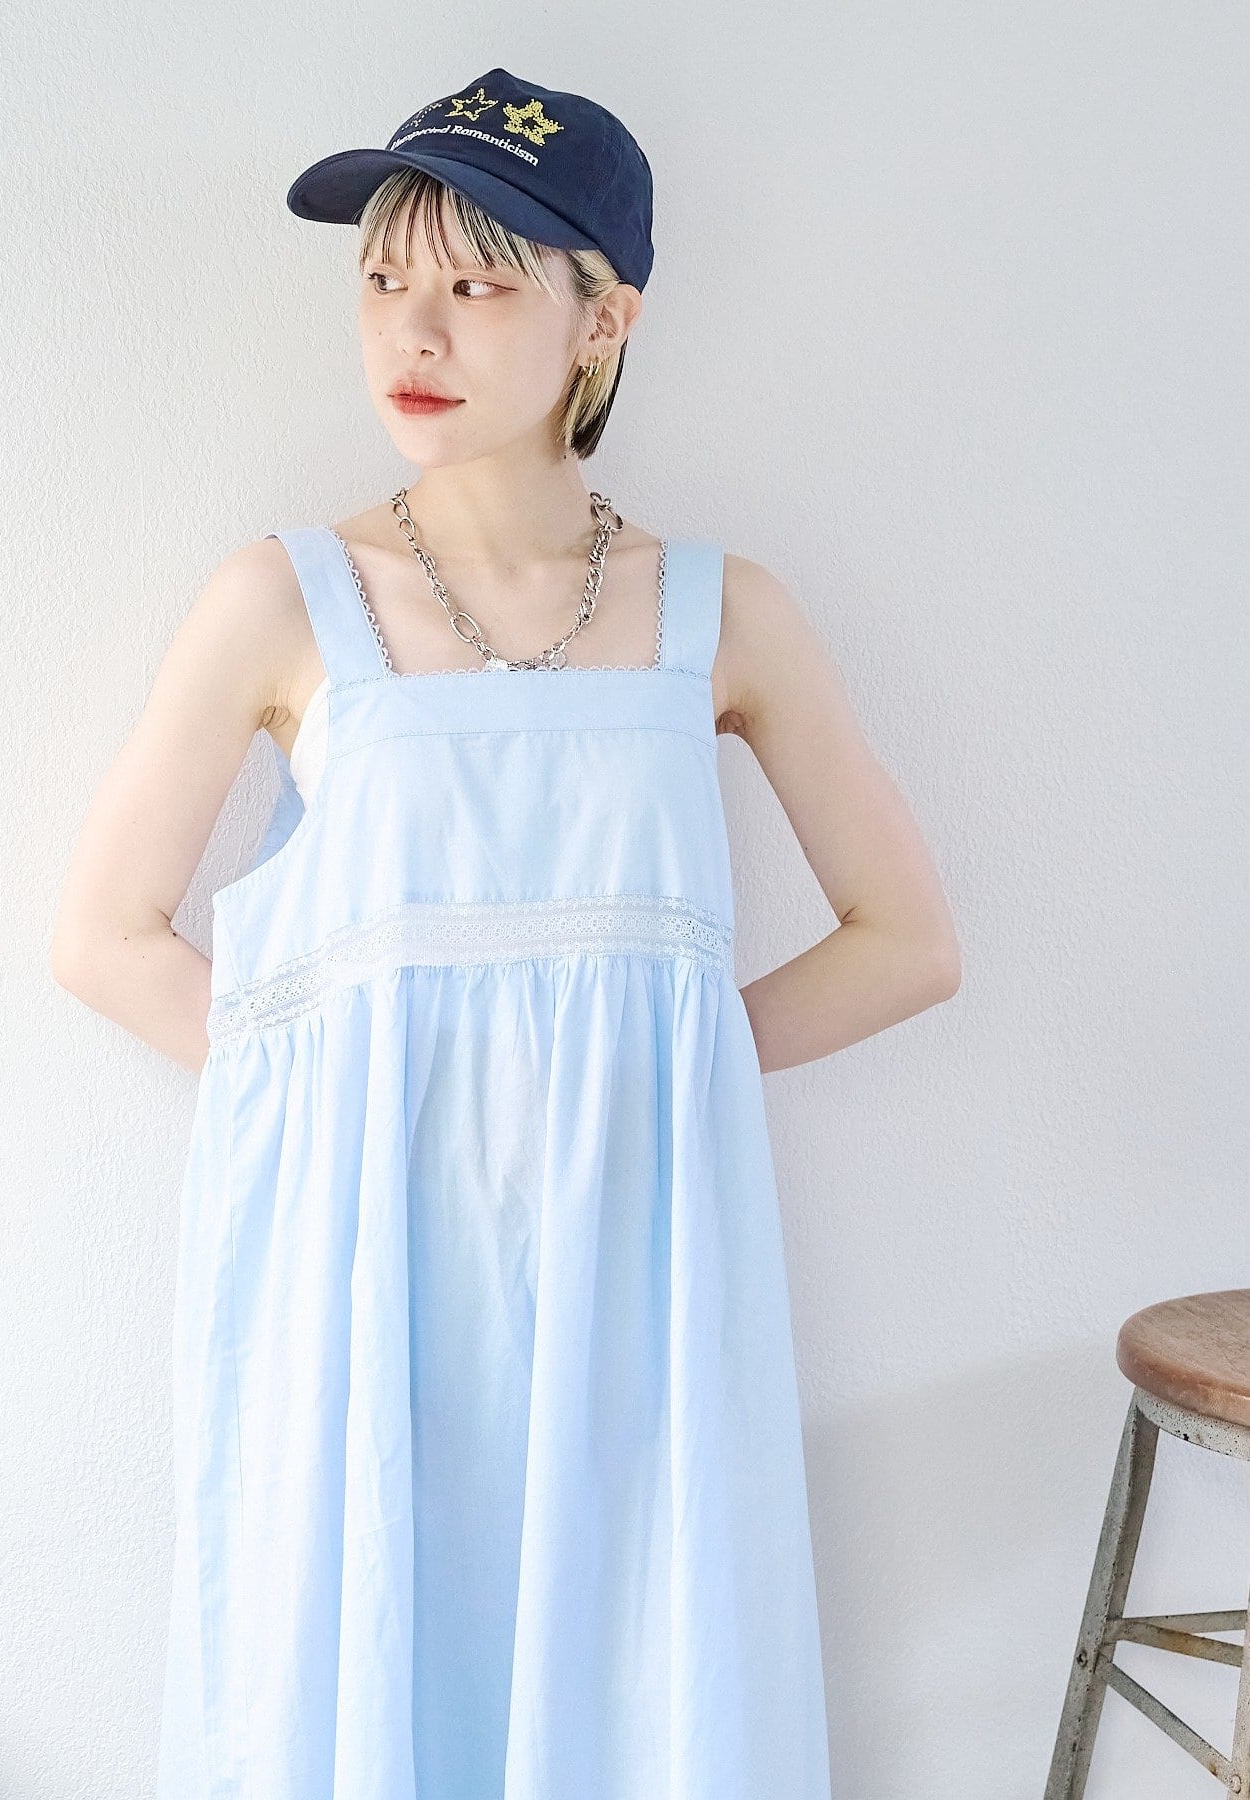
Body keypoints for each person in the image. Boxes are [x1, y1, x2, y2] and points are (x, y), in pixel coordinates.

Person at [51, 65, 961, 1798]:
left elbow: (906, 940)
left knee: (635, 1677)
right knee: (368, 1668)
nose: (415, 331)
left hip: (636, 1275)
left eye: (477, 285)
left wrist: (663, 1071)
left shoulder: (719, 616)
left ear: (602, 319)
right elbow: (105, 936)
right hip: (368, 1278)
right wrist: (332, 1095)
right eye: (385, 278)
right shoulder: (287, 601)